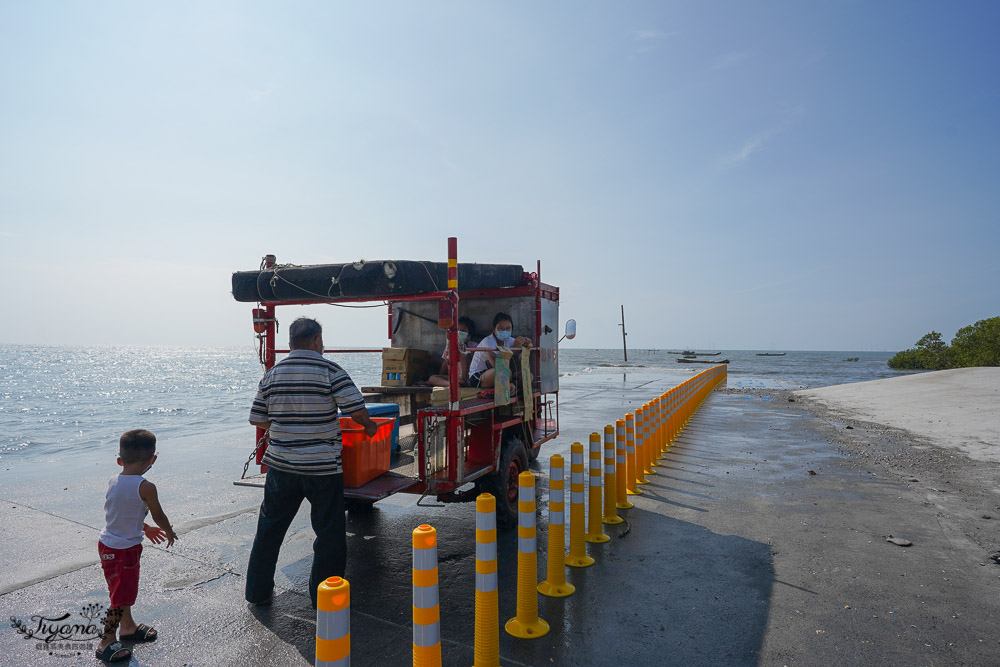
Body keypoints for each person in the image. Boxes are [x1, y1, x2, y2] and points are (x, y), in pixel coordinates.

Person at [245, 317, 377, 609]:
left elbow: (256, 417)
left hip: (281, 467)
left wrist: (283, 428)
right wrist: (369, 428)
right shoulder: (330, 370)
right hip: (322, 469)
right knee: (328, 534)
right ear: (317, 340)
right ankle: (325, 599)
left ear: (290, 342)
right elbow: (356, 410)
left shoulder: (272, 373)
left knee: (269, 530)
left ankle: (258, 593)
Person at [96, 429, 177, 663]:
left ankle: (128, 627)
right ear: (153, 460)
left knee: (123, 591)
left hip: (110, 546)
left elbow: (120, 514)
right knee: (120, 597)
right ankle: (106, 641)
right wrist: (167, 529)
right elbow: (160, 515)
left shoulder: (114, 480)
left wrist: (144, 527)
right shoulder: (146, 487)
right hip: (122, 551)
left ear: (119, 460)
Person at [467, 312, 531, 389]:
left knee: (529, 376)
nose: (505, 331)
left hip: (501, 374)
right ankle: (510, 385)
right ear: (494, 330)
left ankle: (512, 386)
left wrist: (527, 342)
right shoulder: (488, 342)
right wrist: (514, 348)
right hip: (478, 377)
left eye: (508, 328)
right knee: (505, 372)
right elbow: (497, 365)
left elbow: (529, 344)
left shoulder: (509, 340)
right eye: (501, 328)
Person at [427, 316, 479, 387]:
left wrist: (463, 346)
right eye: (457, 330)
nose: (459, 332)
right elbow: (443, 371)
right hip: (454, 379)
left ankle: (462, 381)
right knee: (432, 379)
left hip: (468, 378)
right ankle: (454, 384)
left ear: (469, 336)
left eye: (462, 331)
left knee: (462, 350)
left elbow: (476, 364)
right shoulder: (449, 347)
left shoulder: (474, 346)